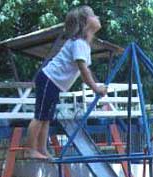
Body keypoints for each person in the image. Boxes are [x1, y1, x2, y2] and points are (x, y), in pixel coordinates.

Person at [27, 5, 107, 159]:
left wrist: (95, 86)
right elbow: (83, 70)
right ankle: (30, 149)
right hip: (49, 79)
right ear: (85, 23)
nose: (97, 17)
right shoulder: (78, 43)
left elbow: (85, 71)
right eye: (93, 15)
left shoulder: (84, 45)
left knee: (46, 118)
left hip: (54, 83)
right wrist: (95, 88)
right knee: (40, 116)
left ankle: (42, 149)